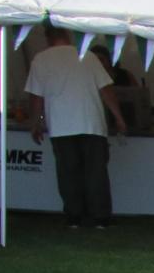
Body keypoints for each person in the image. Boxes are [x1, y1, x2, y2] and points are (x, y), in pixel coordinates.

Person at [24, 23, 127, 229]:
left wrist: (35, 123)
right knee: (95, 172)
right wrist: (119, 117)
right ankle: (100, 218)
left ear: (47, 38)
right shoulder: (87, 56)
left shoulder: (41, 60)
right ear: (68, 34)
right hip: (92, 123)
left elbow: (36, 97)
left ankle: (74, 217)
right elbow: (106, 90)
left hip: (61, 125)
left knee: (68, 173)